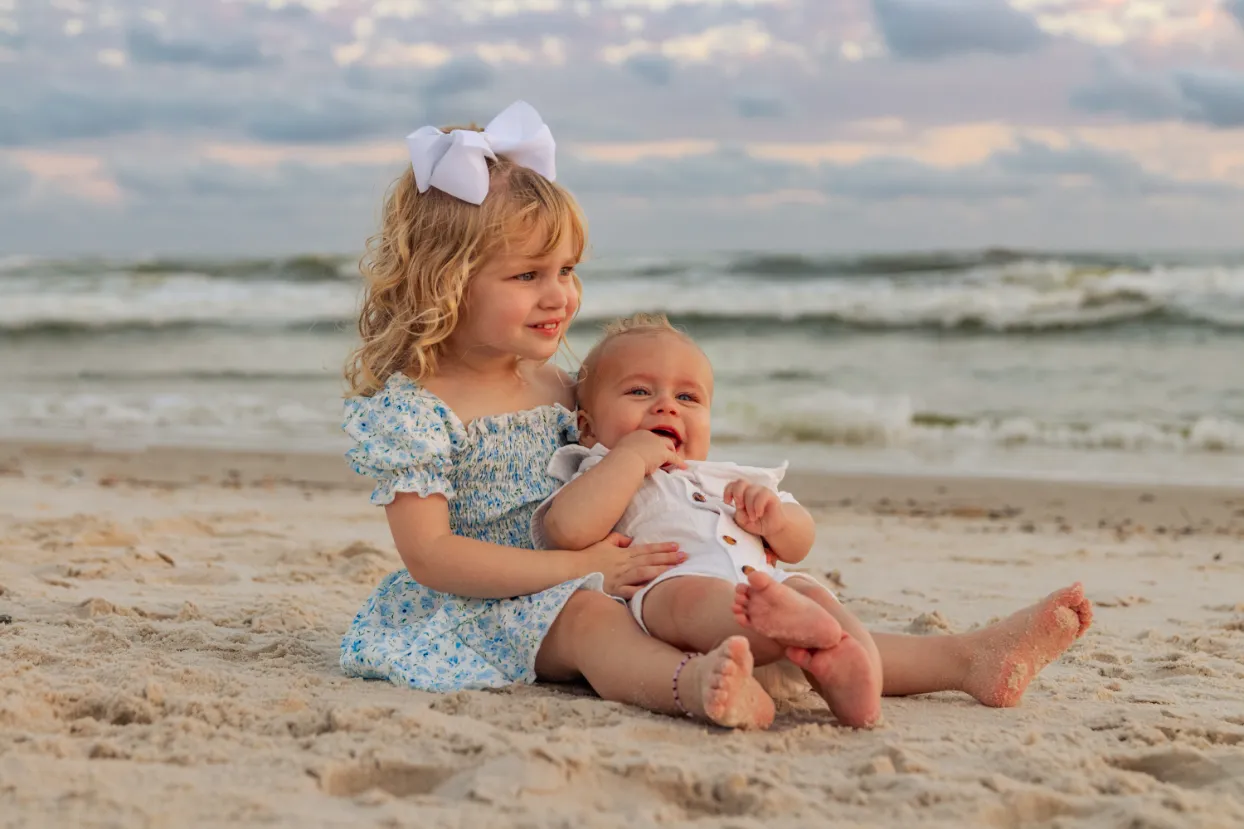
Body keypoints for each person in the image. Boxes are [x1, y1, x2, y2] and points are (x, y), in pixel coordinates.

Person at [340, 101, 776, 729]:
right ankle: (691, 685)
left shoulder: (562, 386)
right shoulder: (420, 412)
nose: (560, 296)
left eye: (567, 270)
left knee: (684, 599)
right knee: (591, 622)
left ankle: (857, 656)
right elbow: (432, 556)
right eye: (527, 275)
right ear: (446, 282)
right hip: (485, 605)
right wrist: (578, 568)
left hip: (606, 570)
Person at [533, 313, 1094, 727]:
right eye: (639, 392)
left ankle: (899, 676)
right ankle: (800, 636)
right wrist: (632, 457)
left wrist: (776, 518)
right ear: (586, 425)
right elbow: (569, 529)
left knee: (807, 592)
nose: (667, 407)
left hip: (772, 588)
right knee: (696, 597)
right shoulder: (600, 465)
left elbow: (800, 541)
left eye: (688, 397)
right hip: (667, 590)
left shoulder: (726, 475)